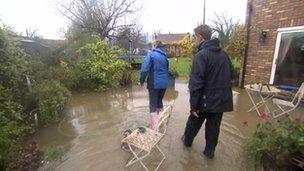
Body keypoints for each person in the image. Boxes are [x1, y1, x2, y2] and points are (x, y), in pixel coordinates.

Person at [181, 25, 233, 159]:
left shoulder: (201, 55)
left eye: (195, 37)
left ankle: (186, 146)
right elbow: (231, 74)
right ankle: (209, 154)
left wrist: (193, 106)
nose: (194, 40)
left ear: (200, 37)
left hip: (203, 101)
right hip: (220, 102)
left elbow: (196, 84)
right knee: (213, 130)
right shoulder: (224, 54)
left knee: (192, 124)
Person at [139, 41, 169, 130]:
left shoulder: (151, 55)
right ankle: (159, 122)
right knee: (159, 102)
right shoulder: (165, 56)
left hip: (154, 84)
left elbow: (144, 69)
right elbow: (167, 70)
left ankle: (154, 128)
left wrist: (141, 81)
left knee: (152, 104)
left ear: (155, 46)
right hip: (164, 84)